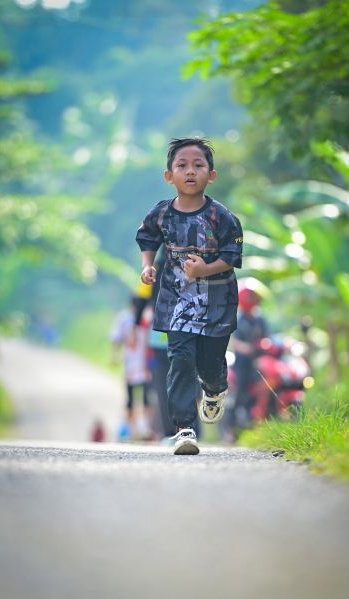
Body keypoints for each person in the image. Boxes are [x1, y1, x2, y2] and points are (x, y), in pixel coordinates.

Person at [136, 137, 243, 455]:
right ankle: (184, 429)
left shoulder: (222, 217)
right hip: (176, 304)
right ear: (169, 176)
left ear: (212, 174)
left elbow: (232, 256)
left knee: (209, 365)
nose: (190, 171)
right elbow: (147, 238)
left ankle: (215, 388)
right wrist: (147, 266)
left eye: (198, 165)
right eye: (182, 165)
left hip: (217, 304)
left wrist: (204, 269)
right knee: (180, 360)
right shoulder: (161, 213)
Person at [110, 294, 152, 440]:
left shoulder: (145, 319)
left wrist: (114, 355)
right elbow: (116, 337)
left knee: (143, 398)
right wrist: (115, 355)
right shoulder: (126, 319)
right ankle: (132, 429)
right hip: (134, 364)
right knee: (133, 399)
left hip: (142, 365)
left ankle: (143, 428)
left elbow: (116, 338)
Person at [231, 279, 269, 422]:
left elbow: (267, 337)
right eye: (252, 297)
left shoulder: (260, 319)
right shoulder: (239, 320)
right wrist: (245, 348)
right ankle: (234, 418)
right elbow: (235, 341)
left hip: (258, 360)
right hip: (242, 363)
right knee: (241, 389)